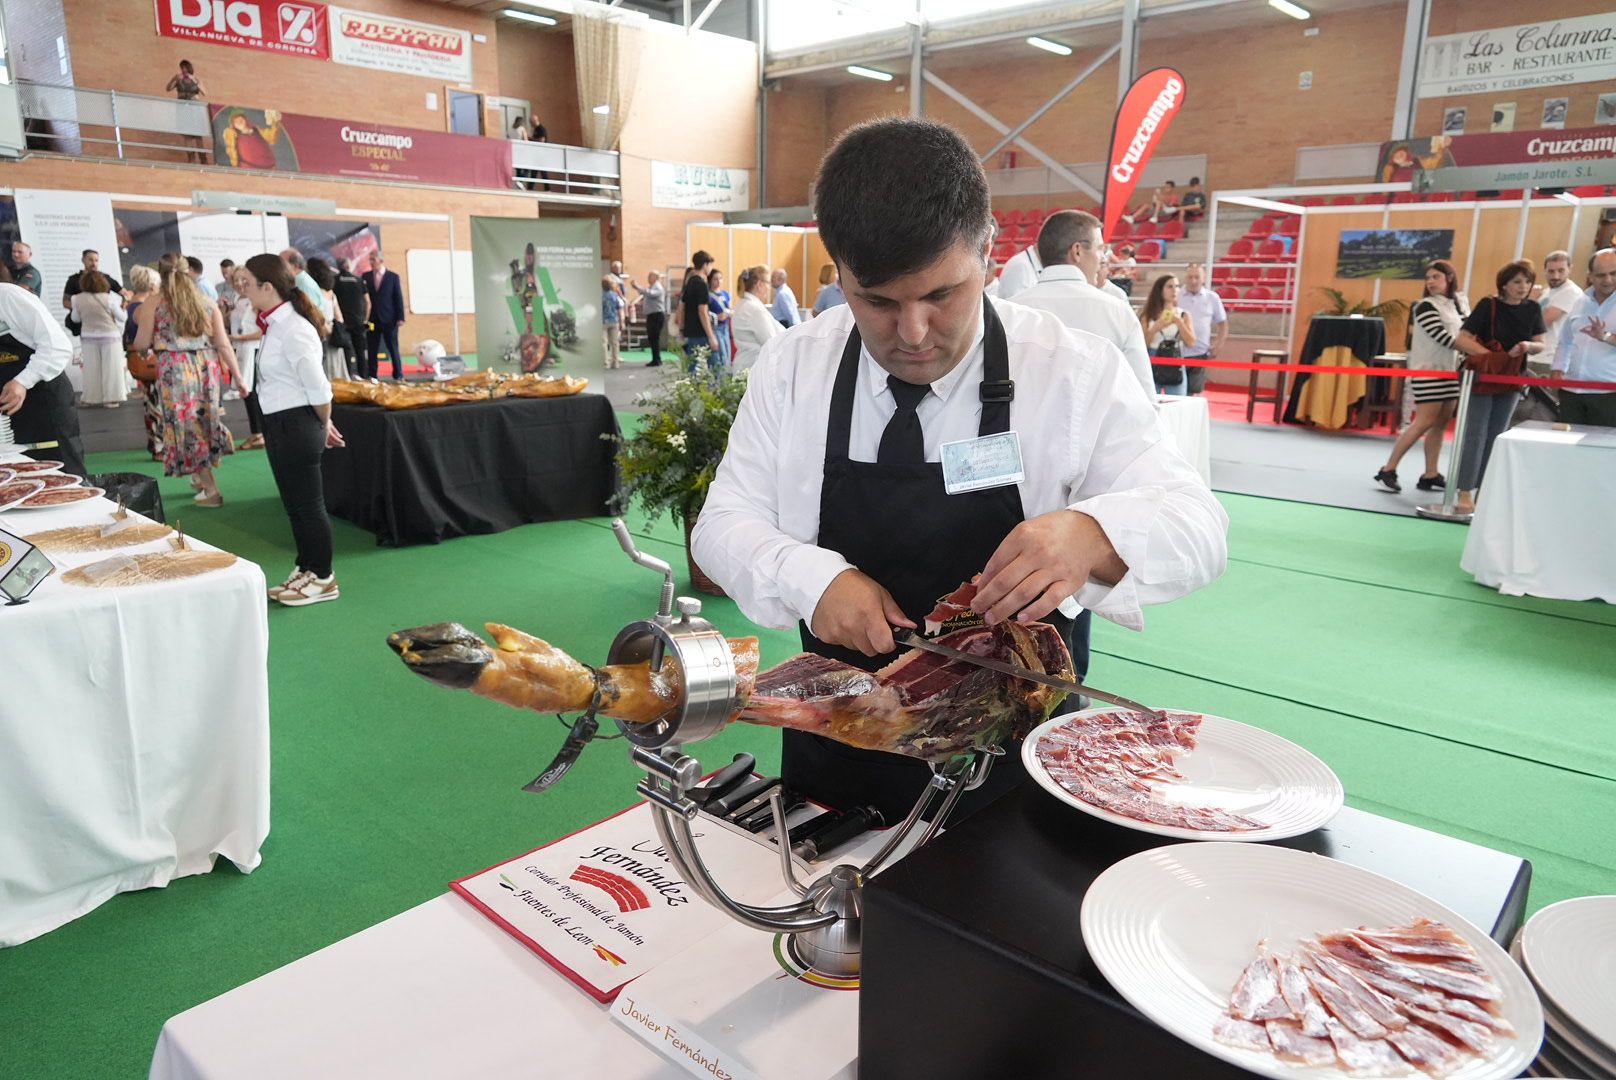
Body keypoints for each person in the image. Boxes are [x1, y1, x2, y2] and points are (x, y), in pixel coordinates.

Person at [690, 117, 1227, 823]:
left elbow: (1200, 525)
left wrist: (1093, 533)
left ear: (988, 250)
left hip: (1015, 764)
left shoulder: (1071, 371)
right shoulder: (797, 366)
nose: (912, 333)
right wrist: (811, 578)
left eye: (942, 294)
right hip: (842, 744)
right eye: (876, 301)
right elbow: (722, 524)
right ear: (839, 271)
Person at [241, 253, 343, 607]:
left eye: (248, 284)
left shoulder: (295, 329)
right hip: (279, 422)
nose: (244, 291)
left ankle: (324, 576)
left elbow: (319, 389)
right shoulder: (275, 326)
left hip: (299, 423)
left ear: (268, 287)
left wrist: (323, 422)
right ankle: (307, 567)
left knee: (309, 505)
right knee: (294, 504)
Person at [130, 253, 245, 505]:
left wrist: (142, 349)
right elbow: (223, 344)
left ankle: (211, 489)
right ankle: (198, 477)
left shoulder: (154, 303)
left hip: (175, 369)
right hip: (207, 367)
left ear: (161, 274)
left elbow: (140, 342)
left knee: (186, 426)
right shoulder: (205, 300)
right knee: (204, 420)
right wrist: (239, 378)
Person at [1012, 210, 1153, 396]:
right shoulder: (1117, 312)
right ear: (1077, 251)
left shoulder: (1009, 310)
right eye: (1101, 249)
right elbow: (1143, 399)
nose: (1104, 258)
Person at [1453, 260, 1547, 514]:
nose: (1523, 287)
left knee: (1497, 434)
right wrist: (1491, 358)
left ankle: (1486, 489)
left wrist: (1527, 346)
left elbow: (1541, 343)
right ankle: (1464, 490)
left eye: (1527, 281)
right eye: (1517, 281)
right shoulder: (1488, 305)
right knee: (1476, 432)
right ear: (1504, 284)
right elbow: (1461, 339)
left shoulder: (1533, 309)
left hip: (1513, 376)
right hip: (1483, 375)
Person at [1375, 260, 1467, 493]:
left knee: (1440, 424)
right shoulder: (1424, 306)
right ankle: (1389, 468)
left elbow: (1466, 332)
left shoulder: (1458, 304)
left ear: (1449, 278)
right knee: (1424, 421)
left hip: (1449, 370)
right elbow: (1443, 337)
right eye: (1428, 278)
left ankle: (1430, 473)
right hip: (1428, 370)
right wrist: (1478, 351)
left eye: (1436, 277)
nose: (1430, 282)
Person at [0, 264, 87, 477]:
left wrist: (22, 382)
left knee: (62, 475)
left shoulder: (9, 297)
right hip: (9, 415)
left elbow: (57, 346)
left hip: (45, 403)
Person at [1550, 248, 1616, 428]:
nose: (1608, 280)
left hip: (1608, 394)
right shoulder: (1580, 301)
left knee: (1603, 452)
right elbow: (1565, 341)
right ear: (1590, 276)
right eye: (1601, 275)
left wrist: (1606, 337)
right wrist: (1557, 370)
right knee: (1567, 450)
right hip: (1571, 391)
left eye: (1613, 273)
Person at [69, 270, 127, 408]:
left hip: (88, 337)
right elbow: (122, 318)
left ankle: (91, 398)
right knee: (112, 368)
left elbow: (75, 318)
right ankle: (112, 398)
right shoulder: (109, 299)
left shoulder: (77, 298)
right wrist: (124, 309)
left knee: (91, 369)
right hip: (110, 336)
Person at [124, 264, 164, 459]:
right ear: (152, 286)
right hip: (150, 360)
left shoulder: (133, 304)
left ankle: (156, 444)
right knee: (156, 404)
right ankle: (159, 445)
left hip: (143, 361)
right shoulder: (142, 308)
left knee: (152, 403)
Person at [228, 266, 266, 450]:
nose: (239, 283)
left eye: (243, 279)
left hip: (252, 349)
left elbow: (262, 331)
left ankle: (259, 433)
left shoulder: (256, 300)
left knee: (252, 393)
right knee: (247, 393)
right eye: (236, 279)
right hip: (240, 349)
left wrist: (239, 338)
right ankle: (256, 432)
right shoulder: (238, 300)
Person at [1140, 273, 1195, 397]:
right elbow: (1143, 344)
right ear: (1160, 290)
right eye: (1170, 286)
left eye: (1177, 286)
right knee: (1150, 400)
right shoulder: (1147, 315)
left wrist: (1179, 323)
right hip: (1153, 359)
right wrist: (1155, 328)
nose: (1174, 290)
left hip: (1175, 359)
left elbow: (1191, 343)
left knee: (1177, 402)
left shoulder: (1184, 315)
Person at [1177, 263, 1228, 395]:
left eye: (1197, 277)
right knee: (1176, 393)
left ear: (1203, 278)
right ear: (1185, 278)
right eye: (1190, 277)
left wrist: (1218, 344)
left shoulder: (1212, 298)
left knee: (1194, 392)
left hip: (1200, 353)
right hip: (1176, 353)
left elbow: (1222, 323)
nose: (1193, 281)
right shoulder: (1176, 296)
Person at [1538, 250, 1582, 376]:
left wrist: (1529, 301)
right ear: (1544, 270)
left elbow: (1541, 322)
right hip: (1536, 355)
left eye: (1561, 271)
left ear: (1570, 269)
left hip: (1550, 358)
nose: (1556, 276)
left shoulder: (1571, 292)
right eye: (1551, 271)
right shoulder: (1546, 292)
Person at [731, 264, 782, 371]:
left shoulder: (744, 304)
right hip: (753, 368)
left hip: (744, 366)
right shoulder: (755, 310)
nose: (770, 288)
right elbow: (772, 342)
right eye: (768, 283)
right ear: (759, 284)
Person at [63, 249, 123, 336]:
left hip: (105, 325)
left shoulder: (105, 278)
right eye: (90, 260)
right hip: (83, 326)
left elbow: (125, 293)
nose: (94, 263)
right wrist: (84, 308)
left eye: (96, 260)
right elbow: (66, 301)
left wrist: (120, 307)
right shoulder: (73, 280)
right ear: (83, 260)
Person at [366, 253, 407, 380]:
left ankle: (398, 375)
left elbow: (398, 298)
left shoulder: (393, 277)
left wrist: (401, 317)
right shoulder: (366, 276)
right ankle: (372, 375)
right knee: (372, 348)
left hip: (390, 319)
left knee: (393, 347)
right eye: (370, 260)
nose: (371, 262)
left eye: (373, 259)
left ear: (381, 260)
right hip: (372, 319)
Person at [306, 258, 345, 381]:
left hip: (321, 332)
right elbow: (339, 317)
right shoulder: (331, 293)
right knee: (335, 369)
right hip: (333, 335)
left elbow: (316, 314)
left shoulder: (314, 292)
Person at [679, 250, 719, 373]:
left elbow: (682, 307)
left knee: (693, 366)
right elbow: (703, 310)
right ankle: (714, 391)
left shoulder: (689, 282)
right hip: (701, 333)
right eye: (710, 265)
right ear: (705, 264)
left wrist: (682, 328)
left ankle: (693, 390)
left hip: (691, 332)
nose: (711, 268)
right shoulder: (702, 284)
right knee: (715, 366)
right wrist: (711, 336)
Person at [332, 258, 371, 379]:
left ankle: (347, 377)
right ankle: (364, 377)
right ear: (349, 267)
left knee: (346, 351)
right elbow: (368, 302)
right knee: (360, 351)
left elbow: (331, 300)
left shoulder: (335, 281)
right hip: (358, 321)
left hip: (343, 322)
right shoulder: (359, 281)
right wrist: (365, 319)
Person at [165, 60, 207, 163]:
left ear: (189, 68)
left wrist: (196, 82)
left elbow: (204, 92)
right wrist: (174, 79)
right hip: (183, 108)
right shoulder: (178, 78)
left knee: (198, 134)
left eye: (185, 67)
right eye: (182, 68)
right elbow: (168, 88)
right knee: (187, 133)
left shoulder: (196, 79)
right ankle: (191, 158)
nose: (183, 70)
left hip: (195, 109)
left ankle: (203, 159)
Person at [630, 270, 666, 367]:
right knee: (652, 337)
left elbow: (650, 293)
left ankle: (657, 359)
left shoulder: (658, 287)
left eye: (650, 276)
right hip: (652, 315)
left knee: (654, 337)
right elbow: (646, 293)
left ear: (655, 277)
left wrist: (638, 287)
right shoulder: (653, 287)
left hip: (656, 315)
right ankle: (655, 358)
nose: (648, 278)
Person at [707, 268, 734, 364]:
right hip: (715, 327)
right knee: (719, 355)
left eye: (720, 278)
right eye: (715, 279)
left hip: (726, 327)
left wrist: (729, 313)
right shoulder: (708, 296)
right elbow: (705, 314)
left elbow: (731, 308)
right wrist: (717, 317)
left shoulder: (726, 294)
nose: (718, 281)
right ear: (710, 280)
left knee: (727, 353)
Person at [601, 274, 624, 370]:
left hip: (603, 322)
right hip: (614, 321)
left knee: (603, 343)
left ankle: (605, 363)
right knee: (614, 343)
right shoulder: (616, 296)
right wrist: (622, 321)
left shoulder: (601, 296)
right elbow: (620, 309)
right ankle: (615, 362)